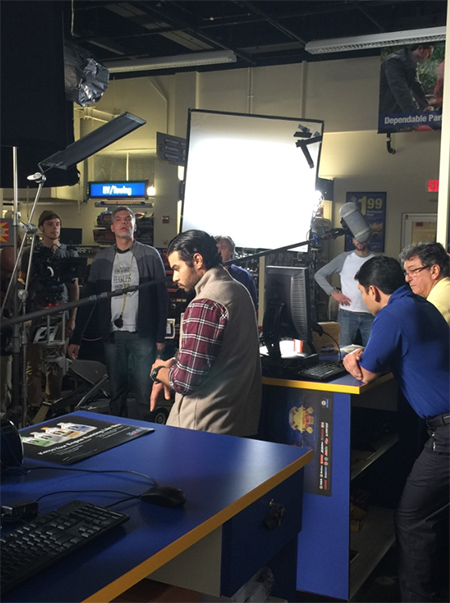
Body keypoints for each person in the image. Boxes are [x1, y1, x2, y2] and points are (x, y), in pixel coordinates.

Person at [343, 256, 449, 603]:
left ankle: (418, 596)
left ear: (373, 291)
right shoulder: (419, 304)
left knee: (412, 516)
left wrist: (349, 358)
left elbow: (366, 373)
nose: (364, 299)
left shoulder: (392, 314)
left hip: (447, 432)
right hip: (443, 427)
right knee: (432, 511)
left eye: (362, 293)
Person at [149, 230, 261, 436]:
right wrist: (175, 362)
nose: (174, 277)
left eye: (177, 268)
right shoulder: (238, 290)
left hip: (200, 429)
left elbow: (185, 381)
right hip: (236, 424)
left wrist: (158, 371)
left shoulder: (205, 303)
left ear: (197, 260)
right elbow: (214, 355)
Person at [69, 206, 168, 421]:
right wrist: (76, 338)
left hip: (142, 335)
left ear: (134, 225)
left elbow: (162, 298)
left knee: (143, 391)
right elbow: (88, 301)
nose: (124, 222)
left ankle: (147, 432)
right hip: (113, 335)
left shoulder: (150, 255)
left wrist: (161, 336)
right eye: (119, 219)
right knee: (116, 391)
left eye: (128, 219)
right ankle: (117, 430)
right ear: (112, 227)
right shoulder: (102, 259)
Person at [20, 211, 79, 415]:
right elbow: (23, 284)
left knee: (56, 363)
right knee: (34, 364)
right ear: (41, 228)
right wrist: (26, 315)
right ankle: (34, 405)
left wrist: (72, 318)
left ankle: (53, 402)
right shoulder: (30, 253)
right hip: (36, 313)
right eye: (50, 224)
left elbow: (74, 287)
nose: (55, 228)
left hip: (60, 313)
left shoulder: (69, 253)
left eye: (58, 224)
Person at [314, 237, 375, 346]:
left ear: (368, 240)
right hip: (347, 315)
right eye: (357, 238)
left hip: (371, 314)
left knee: (373, 351)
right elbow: (319, 275)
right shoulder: (344, 258)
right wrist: (333, 293)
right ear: (353, 240)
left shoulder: (376, 260)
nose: (359, 241)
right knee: (343, 350)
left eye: (363, 238)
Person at [399, 241, 450, 325]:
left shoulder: (438, 304)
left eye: (413, 271)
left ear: (434, 271)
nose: (407, 279)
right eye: (406, 273)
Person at [379, 43, 434, 115]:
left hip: (396, 110)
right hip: (387, 111)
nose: (429, 57)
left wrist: (425, 106)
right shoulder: (393, 62)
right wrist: (412, 115)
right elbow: (400, 89)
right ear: (420, 49)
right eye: (429, 53)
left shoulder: (411, 62)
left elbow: (416, 86)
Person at [214, 235, 258, 307]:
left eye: (222, 248)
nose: (218, 251)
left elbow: (253, 305)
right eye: (216, 248)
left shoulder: (243, 276)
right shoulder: (206, 273)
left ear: (231, 251)